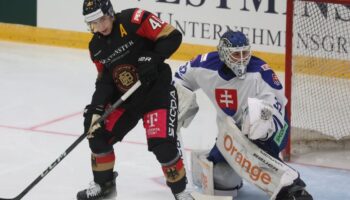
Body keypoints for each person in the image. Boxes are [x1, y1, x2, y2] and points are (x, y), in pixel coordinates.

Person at [173, 30, 313, 200]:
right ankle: (230, 168)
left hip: (274, 129)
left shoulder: (261, 72)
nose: (241, 59)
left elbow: (278, 108)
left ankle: (293, 187)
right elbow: (180, 79)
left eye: (244, 53)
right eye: (235, 54)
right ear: (223, 54)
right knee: (222, 181)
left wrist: (263, 130)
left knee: (257, 122)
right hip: (232, 132)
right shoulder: (203, 65)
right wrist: (178, 100)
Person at [78, 0, 194, 199]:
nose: (100, 27)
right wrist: (96, 108)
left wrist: (152, 58)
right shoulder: (95, 47)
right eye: (94, 23)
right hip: (126, 100)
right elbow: (105, 81)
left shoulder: (134, 19)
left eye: (103, 20)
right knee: (96, 133)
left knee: (162, 144)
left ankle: (182, 193)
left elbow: (172, 36)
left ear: (111, 13)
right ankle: (104, 187)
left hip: (155, 93)